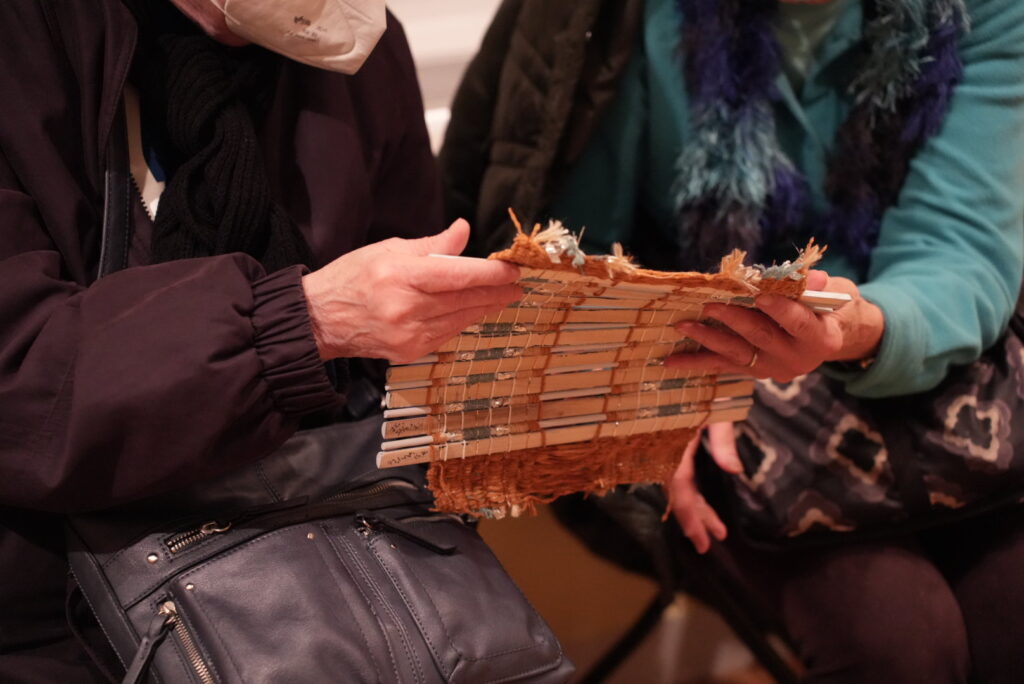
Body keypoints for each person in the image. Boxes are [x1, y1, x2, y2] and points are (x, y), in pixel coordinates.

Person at [439, 0, 1024, 681]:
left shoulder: (987, 10)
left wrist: (854, 327)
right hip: (688, 384)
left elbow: (961, 248)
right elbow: (572, 257)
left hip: (924, 369)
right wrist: (654, 389)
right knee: (898, 645)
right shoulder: (623, 14)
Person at [0, 0, 522, 680]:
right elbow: (23, 383)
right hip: (56, 595)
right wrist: (303, 321)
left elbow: (410, 382)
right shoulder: (28, 39)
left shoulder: (351, 43)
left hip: (319, 554)